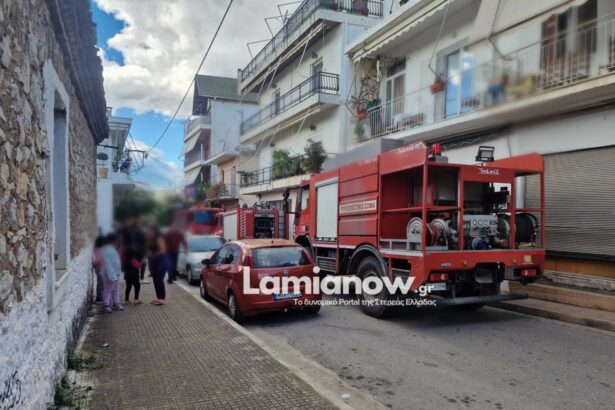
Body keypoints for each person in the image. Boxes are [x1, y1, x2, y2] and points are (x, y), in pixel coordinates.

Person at [121, 218, 147, 304]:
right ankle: (136, 299)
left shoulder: (126, 261)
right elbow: (138, 266)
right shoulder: (134, 261)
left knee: (128, 287)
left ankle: (126, 300)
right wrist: (142, 260)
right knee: (137, 286)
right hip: (134, 276)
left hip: (127, 276)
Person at [101, 233, 123, 313]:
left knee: (116, 289)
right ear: (113, 240)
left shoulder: (113, 248)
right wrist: (111, 275)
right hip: (110, 274)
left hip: (116, 272)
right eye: (117, 239)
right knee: (108, 290)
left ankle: (116, 303)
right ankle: (106, 305)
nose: (118, 241)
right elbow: (107, 263)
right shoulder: (106, 250)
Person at [148, 226, 168, 305]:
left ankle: (162, 298)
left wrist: (152, 253)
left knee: (159, 279)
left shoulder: (159, 239)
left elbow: (163, 251)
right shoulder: (151, 240)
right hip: (154, 262)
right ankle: (158, 297)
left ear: (155, 231)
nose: (149, 233)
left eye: (150, 231)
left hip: (161, 263)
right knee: (155, 280)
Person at [92, 235, 105, 303]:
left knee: (100, 282)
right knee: (101, 282)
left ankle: (100, 297)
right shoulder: (99, 249)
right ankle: (99, 298)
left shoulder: (96, 248)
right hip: (100, 267)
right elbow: (97, 260)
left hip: (99, 267)